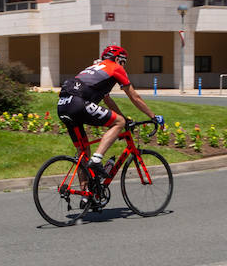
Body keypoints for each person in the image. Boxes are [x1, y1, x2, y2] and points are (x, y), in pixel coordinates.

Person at [57, 45, 164, 179]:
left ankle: (85, 195)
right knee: (119, 122)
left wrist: (124, 117)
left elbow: (108, 100)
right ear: (119, 59)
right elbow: (134, 97)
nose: (124, 66)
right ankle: (97, 159)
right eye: (124, 62)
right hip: (79, 103)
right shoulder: (115, 67)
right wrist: (153, 116)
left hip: (63, 105)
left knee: (83, 152)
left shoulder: (95, 69)